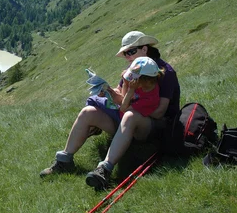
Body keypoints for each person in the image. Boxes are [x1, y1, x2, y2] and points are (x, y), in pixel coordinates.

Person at [39, 31, 181, 190]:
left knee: (130, 115)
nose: (128, 56)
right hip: (127, 119)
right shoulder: (133, 69)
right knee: (88, 112)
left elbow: (160, 112)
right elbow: (121, 94)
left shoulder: (165, 72)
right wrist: (109, 92)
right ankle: (64, 161)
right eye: (126, 53)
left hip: (154, 127)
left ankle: (104, 169)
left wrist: (130, 106)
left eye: (131, 51)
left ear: (145, 49)